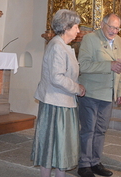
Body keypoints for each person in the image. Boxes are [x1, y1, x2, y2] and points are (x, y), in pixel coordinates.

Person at [31, 9, 86, 177]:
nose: (78, 30)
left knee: (60, 147)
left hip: (62, 102)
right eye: (76, 26)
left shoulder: (62, 46)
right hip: (56, 103)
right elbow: (57, 77)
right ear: (66, 27)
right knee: (53, 146)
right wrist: (78, 88)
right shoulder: (57, 46)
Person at [77, 13, 121, 177]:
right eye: (111, 27)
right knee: (88, 130)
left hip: (108, 94)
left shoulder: (119, 40)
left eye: (117, 28)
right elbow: (83, 65)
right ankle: (84, 165)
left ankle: (95, 162)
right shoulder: (90, 39)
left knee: (101, 130)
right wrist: (108, 66)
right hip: (91, 92)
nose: (114, 31)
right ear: (102, 24)